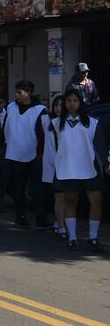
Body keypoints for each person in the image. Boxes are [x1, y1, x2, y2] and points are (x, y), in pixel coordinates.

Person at [50, 89, 106, 252]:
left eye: (75, 101)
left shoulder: (92, 122)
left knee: (96, 202)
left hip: (90, 167)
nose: (72, 104)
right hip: (68, 169)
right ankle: (72, 238)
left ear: (80, 103)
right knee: (70, 202)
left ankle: (93, 238)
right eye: (69, 101)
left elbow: (101, 145)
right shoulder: (56, 123)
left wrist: (107, 163)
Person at [3, 80, 48, 228]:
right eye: (16, 92)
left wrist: (41, 152)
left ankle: (41, 218)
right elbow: (5, 128)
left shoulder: (40, 109)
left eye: (19, 92)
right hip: (15, 154)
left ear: (28, 93)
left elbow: (43, 133)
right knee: (18, 188)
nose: (16, 95)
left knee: (38, 188)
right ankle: (19, 216)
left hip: (34, 154)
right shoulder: (10, 107)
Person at [41, 95, 65, 239]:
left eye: (61, 105)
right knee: (58, 194)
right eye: (55, 105)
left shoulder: (69, 122)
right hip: (51, 162)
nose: (57, 108)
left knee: (65, 195)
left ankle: (59, 222)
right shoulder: (45, 120)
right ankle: (60, 225)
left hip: (65, 163)